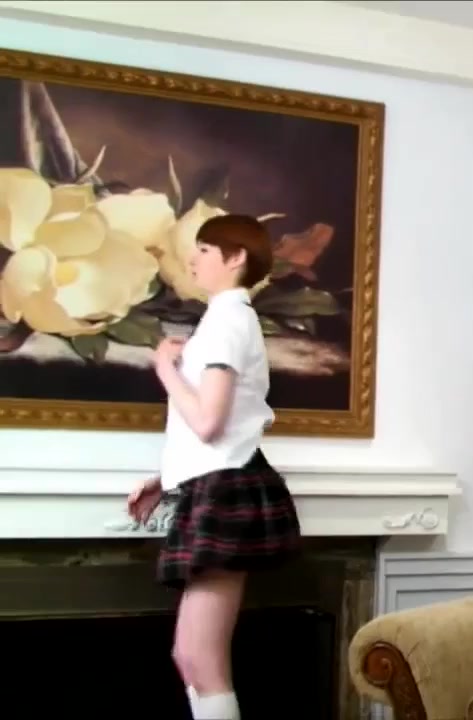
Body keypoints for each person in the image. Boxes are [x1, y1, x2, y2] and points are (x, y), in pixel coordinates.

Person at [126, 214, 302, 720]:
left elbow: (207, 421)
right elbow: (221, 429)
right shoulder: (225, 320)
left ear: (236, 257)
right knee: (191, 658)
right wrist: (166, 480)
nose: (191, 259)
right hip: (220, 481)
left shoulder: (227, 321)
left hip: (227, 488)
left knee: (200, 660)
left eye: (204, 249)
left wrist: (164, 369)